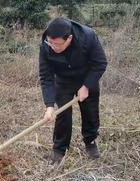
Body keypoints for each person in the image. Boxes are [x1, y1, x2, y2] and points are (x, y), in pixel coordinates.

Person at [39, 17, 108, 164]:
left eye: (56, 44)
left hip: (87, 76)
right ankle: (59, 149)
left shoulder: (88, 36)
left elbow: (100, 62)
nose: (52, 47)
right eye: (49, 42)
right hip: (63, 80)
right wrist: (49, 106)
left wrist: (87, 85)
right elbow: (46, 76)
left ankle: (90, 142)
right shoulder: (46, 43)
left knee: (90, 111)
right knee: (62, 114)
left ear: (69, 38)